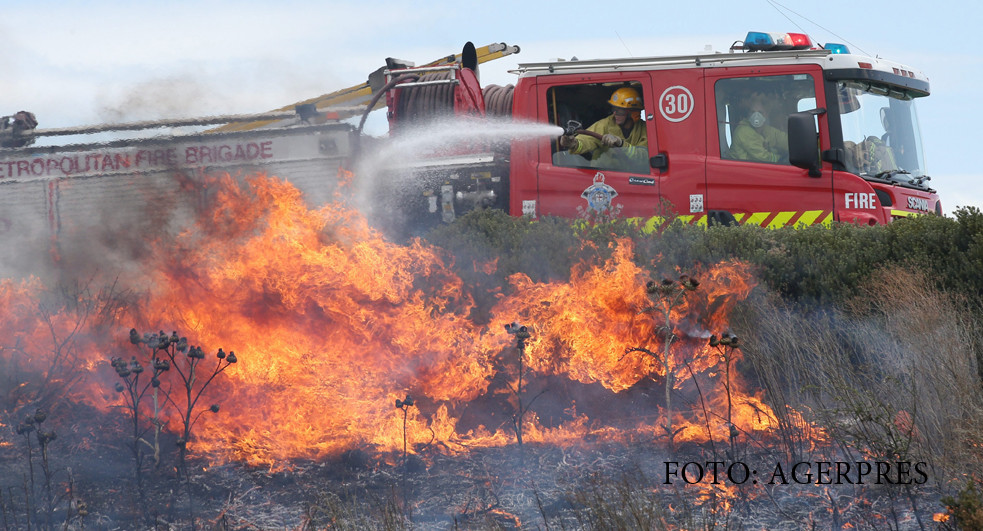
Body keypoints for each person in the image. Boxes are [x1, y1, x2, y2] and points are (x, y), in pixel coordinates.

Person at [558, 87, 648, 170]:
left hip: (632, 178)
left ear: (632, 113)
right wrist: (574, 143)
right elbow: (587, 139)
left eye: (620, 110)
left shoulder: (644, 130)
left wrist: (620, 143)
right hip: (604, 175)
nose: (615, 113)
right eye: (614, 109)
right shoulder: (606, 124)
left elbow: (644, 157)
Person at [729, 91, 788, 163]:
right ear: (749, 115)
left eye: (760, 112)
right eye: (753, 112)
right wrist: (782, 159)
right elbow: (763, 157)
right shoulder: (744, 131)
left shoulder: (766, 130)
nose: (756, 116)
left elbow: (782, 139)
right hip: (739, 170)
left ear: (766, 114)